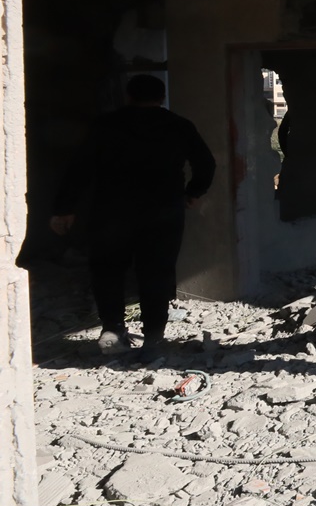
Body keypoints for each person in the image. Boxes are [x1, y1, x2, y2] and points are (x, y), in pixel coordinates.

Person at [49, 74, 216, 359]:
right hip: (163, 212)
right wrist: (194, 191)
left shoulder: (105, 125)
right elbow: (205, 163)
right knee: (157, 271)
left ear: (129, 96)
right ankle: (153, 337)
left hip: (111, 211)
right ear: (161, 97)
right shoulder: (178, 126)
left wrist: (65, 209)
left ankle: (113, 330)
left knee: (107, 269)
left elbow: (79, 169)